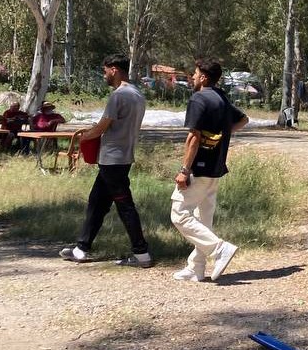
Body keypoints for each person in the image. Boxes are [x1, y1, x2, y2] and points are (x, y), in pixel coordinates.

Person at [59, 54, 152, 268]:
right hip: (122, 156)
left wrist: (83, 137)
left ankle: (141, 253)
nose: (104, 75)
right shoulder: (138, 94)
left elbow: (102, 126)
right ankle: (81, 248)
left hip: (113, 159)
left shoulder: (119, 95)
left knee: (125, 205)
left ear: (114, 69)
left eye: (105, 71)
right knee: (97, 203)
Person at [170, 58, 249, 283]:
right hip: (216, 169)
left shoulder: (199, 98)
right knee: (203, 220)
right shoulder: (222, 98)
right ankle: (196, 268)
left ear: (204, 77)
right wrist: (224, 133)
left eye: (195, 74)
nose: (192, 77)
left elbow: (193, 137)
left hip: (200, 169)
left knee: (179, 213)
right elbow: (244, 119)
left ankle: (219, 249)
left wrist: (185, 170)